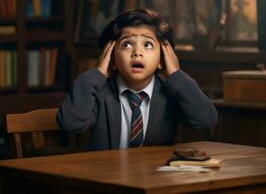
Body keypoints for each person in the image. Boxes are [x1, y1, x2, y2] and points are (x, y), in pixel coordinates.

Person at [56, 8, 218, 151]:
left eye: (147, 45)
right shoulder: (99, 93)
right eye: (127, 45)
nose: (137, 52)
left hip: (154, 179)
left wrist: (175, 74)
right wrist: (98, 73)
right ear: (112, 59)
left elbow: (206, 120)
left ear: (162, 59)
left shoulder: (171, 94)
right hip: (106, 179)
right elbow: (70, 123)